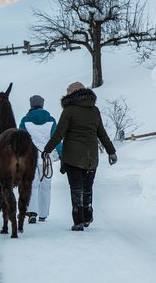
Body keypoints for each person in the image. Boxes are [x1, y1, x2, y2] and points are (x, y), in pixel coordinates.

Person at [42, 81, 117, 231]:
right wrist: (111, 151)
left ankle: (78, 221)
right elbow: (101, 133)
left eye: (68, 91)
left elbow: (59, 133)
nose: (66, 93)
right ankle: (87, 216)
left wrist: (47, 150)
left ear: (74, 93)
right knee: (87, 187)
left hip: (73, 157)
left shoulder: (69, 111)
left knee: (76, 188)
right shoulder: (94, 110)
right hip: (91, 157)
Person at [19, 94, 62, 224]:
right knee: (46, 186)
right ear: (42, 105)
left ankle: (32, 213)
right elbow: (56, 139)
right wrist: (61, 154)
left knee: (32, 184)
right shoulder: (51, 120)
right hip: (46, 158)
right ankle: (43, 214)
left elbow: (20, 140)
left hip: (29, 158)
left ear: (31, 105)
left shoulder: (25, 120)